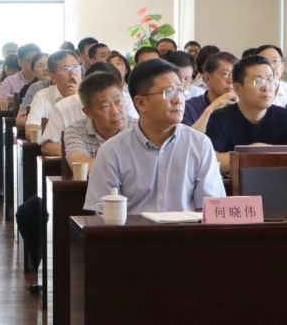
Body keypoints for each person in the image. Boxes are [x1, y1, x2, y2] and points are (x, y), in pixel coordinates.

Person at [83, 58, 225, 216]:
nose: (178, 100)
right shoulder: (112, 151)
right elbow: (103, 215)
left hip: (186, 231)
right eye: (168, 92)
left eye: (180, 91)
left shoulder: (200, 144)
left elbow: (211, 210)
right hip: (132, 231)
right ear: (141, 103)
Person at [204, 55, 287, 172]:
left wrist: (262, 152)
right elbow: (213, 161)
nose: (266, 87)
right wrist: (254, 152)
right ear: (238, 89)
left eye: (270, 81)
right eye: (258, 81)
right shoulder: (220, 118)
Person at [63, 71, 130, 168]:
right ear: (88, 112)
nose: (115, 111)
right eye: (105, 106)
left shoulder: (138, 128)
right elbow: (79, 164)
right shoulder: (76, 130)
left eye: (118, 101)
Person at [25, 50, 83, 142]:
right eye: (66, 69)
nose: (73, 73)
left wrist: (76, 99)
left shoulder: (91, 95)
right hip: (54, 148)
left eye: (76, 67)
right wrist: (54, 135)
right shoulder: (42, 96)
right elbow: (31, 130)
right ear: (52, 77)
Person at [182, 52, 238, 130]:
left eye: (235, 75)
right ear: (207, 78)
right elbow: (188, 137)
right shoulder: (188, 108)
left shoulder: (242, 107)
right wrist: (211, 109)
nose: (231, 81)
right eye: (225, 74)